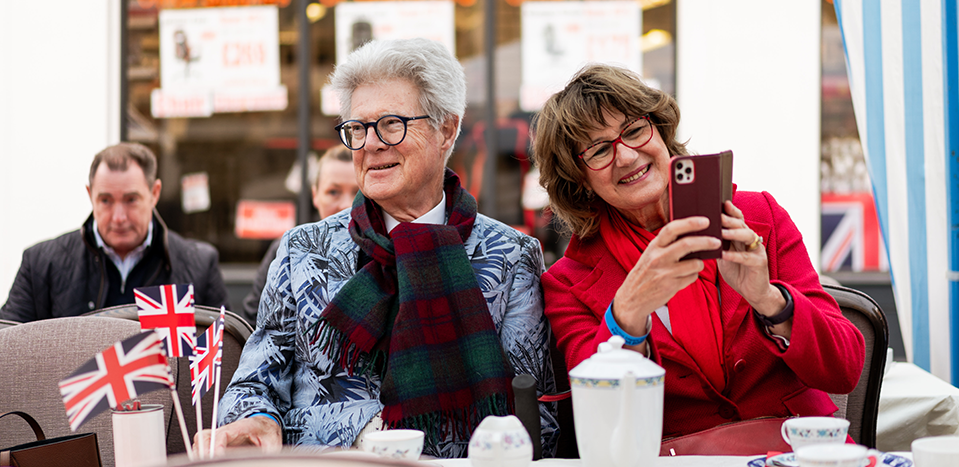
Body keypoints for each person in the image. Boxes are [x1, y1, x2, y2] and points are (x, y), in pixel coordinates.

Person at [197, 38, 557, 458]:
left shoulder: (510, 255)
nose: (370, 144)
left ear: (446, 129)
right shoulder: (303, 250)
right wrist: (270, 419)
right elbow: (253, 387)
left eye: (390, 124)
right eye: (357, 128)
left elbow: (538, 421)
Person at [531, 64, 865, 439]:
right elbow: (603, 421)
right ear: (580, 179)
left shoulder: (758, 217)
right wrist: (626, 314)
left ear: (660, 132)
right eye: (598, 150)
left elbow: (846, 369)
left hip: (793, 451)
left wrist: (769, 299)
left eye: (635, 131)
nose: (625, 157)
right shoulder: (567, 283)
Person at [0, 142, 228, 322]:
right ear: (90, 195)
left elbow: (223, 355)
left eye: (131, 200)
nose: (119, 217)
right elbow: (9, 350)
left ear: (154, 193)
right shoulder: (41, 264)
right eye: (106, 200)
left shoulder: (198, 265)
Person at [241, 146, 359, 326]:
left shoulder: (383, 251)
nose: (345, 204)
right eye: (333, 192)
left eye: (357, 193)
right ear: (315, 195)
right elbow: (253, 321)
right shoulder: (287, 250)